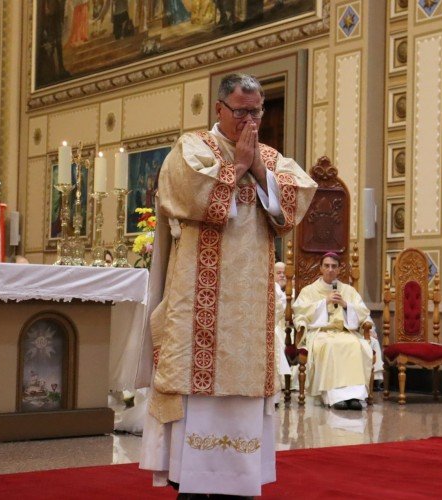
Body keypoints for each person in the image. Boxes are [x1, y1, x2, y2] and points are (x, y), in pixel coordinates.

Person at [137, 73, 317, 498]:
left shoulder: (270, 158)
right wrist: (237, 167)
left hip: (248, 317)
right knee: (197, 395)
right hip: (199, 309)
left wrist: (255, 165)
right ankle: (194, 483)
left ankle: (238, 484)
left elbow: (296, 202)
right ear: (219, 108)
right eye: (241, 111)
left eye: (257, 111)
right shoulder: (192, 147)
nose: (250, 120)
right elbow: (187, 192)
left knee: (244, 398)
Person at [291, 252, 373, 411]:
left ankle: (354, 396)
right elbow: (299, 313)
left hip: (345, 332)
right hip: (321, 333)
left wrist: (345, 305)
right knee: (330, 346)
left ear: (339, 269)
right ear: (320, 268)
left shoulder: (348, 290)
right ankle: (334, 397)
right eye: (327, 266)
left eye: (334, 266)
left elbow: (363, 312)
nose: (330, 270)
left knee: (355, 345)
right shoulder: (309, 291)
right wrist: (325, 302)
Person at [274, 261, 292, 397]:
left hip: (291, 329)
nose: (282, 276)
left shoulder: (294, 292)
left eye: (284, 273)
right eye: (278, 273)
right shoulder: (271, 290)